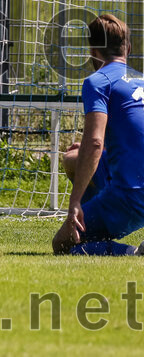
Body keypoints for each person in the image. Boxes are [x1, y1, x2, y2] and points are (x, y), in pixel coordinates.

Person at [53, 14, 144, 255]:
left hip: (132, 197)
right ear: (129, 48)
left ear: (93, 51)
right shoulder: (141, 81)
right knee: (73, 158)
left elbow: (94, 142)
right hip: (136, 182)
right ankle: (94, 213)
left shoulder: (98, 81)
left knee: (62, 245)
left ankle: (132, 252)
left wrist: (73, 204)